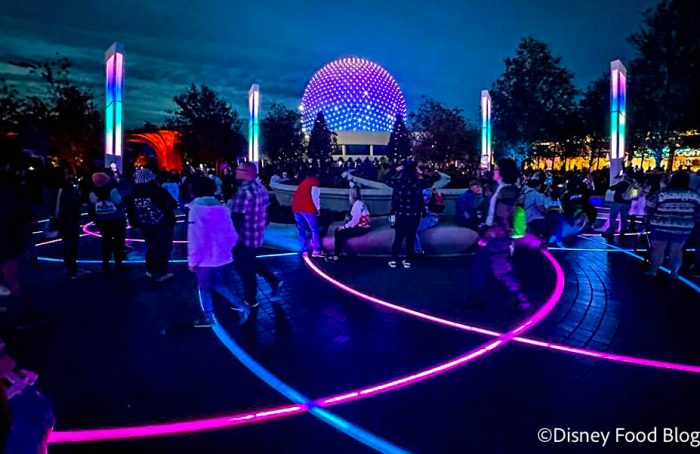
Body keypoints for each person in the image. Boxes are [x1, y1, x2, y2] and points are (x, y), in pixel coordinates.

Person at [187, 176, 249, 327]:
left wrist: (193, 260)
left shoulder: (195, 210)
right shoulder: (222, 208)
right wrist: (225, 249)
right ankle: (242, 306)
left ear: (193, 191)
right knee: (219, 284)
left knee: (204, 287)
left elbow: (195, 238)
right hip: (223, 256)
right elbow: (232, 235)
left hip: (205, 259)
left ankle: (208, 317)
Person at [476, 158, 530, 311]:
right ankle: (477, 298)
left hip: (497, 237)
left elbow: (502, 218)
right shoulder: (501, 188)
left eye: (496, 169)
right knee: (483, 267)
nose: (493, 171)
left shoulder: (507, 191)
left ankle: (523, 300)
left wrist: (487, 236)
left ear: (503, 172)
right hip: (494, 233)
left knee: (502, 270)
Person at [228, 162, 281, 308]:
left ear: (247, 172)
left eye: (239, 169)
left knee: (244, 268)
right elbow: (267, 211)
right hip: (257, 234)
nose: (236, 171)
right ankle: (274, 281)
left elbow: (236, 218)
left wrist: (233, 237)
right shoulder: (261, 188)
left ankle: (250, 299)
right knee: (250, 261)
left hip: (244, 237)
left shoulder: (243, 191)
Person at [124, 168, 177, 282]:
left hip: (144, 224)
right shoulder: (158, 190)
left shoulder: (132, 193)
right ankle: (161, 272)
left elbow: (129, 210)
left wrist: (134, 223)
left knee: (151, 246)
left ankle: (150, 269)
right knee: (163, 247)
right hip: (163, 223)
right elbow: (172, 204)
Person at [644, 172, 700, 278]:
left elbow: (650, 206)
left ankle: (653, 271)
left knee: (658, 250)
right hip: (683, 227)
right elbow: (698, 213)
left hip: (660, 226)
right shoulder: (694, 195)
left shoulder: (663, 193)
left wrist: (649, 218)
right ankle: (674, 272)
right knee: (677, 250)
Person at [389, 161, 424, 269]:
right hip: (414, 215)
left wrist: (396, 169)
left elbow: (385, 178)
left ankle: (394, 259)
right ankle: (408, 260)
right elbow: (429, 181)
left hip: (401, 214)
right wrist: (419, 171)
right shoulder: (418, 183)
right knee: (410, 238)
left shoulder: (398, 183)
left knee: (398, 237)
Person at [88, 172, 127, 272]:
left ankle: (105, 264)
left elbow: (92, 205)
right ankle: (119, 264)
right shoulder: (112, 189)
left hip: (102, 221)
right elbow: (118, 201)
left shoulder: (92, 192)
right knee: (119, 241)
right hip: (117, 219)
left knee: (106, 241)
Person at [325, 186, 371, 262]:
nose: (348, 198)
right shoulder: (359, 203)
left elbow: (355, 221)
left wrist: (344, 227)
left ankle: (336, 256)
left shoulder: (357, 205)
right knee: (341, 230)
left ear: (352, 196)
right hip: (363, 227)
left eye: (349, 195)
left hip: (361, 228)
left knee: (338, 231)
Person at [55, 167, 82, 278]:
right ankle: (72, 269)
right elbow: (73, 204)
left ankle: (70, 267)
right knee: (71, 244)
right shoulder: (67, 188)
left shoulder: (54, 187)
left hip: (62, 220)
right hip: (69, 220)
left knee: (67, 243)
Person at [291, 169, 323, 257]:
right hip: (307, 208)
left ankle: (304, 250)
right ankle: (316, 250)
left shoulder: (303, 182)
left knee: (301, 229)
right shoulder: (314, 182)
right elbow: (315, 197)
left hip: (296, 207)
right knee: (314, 228)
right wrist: (318, 209)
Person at [604, 173, 634, 239]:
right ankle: (622, 232)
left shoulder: (621, 183)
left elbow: (611, 188)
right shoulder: (632, 185)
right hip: (627, 203)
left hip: (617, 202)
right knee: (624, 218)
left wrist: (616, 181)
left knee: (613, 217)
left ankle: (611, 233)